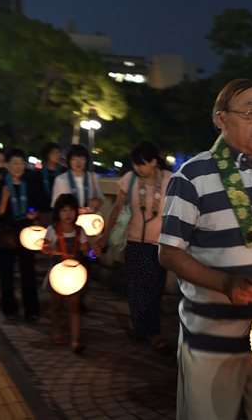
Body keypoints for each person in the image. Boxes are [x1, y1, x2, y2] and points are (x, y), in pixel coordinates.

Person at [159, 79, 252, 420]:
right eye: (251, 112)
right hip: (211, 343)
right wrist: (226, 284)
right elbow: (169, 253)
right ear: (221, 119)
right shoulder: (191, 177)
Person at [100, 141, 172, 350]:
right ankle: (141, 327)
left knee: (154, 288)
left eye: (142, 164)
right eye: (135, 164)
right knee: (135, 287)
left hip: (158, 244)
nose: (138, 168)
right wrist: (105, 236)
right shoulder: (129, 180)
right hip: (133, 242)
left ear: (154, 162)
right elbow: (116, 208)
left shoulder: (169, 180)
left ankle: (153, 331)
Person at [0, 148, 43, 322]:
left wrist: (33, 213)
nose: (17, 167)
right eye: (14, 163)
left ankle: (31, 310)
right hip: (6, 233)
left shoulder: (30, 183)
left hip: (26, 232)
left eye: (20, 163)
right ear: (7, 165)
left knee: (28, 272)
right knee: (6, 273)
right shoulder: (0, 185)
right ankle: (9, 309)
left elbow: (37, 205)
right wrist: (4, 199)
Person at [41, 193, 88, 353]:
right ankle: (57, 330)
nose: (68, 214)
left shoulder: (80, 230)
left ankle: (76, 340)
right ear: (58, 213)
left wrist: (89, 250)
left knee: (74, 306)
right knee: (56, 304)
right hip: (57, 274)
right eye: (63, 210)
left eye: (71, 210)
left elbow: (87, 250)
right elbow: (44, 247)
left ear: (76, 212)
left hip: (75, 276)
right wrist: (48, 249)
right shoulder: (52, 230)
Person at [51, 144, 102, 213]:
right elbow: (55, 204)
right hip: (69, 218)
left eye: (82, 159)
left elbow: (100, 198)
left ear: (86, 161)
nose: (78, 162)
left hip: (89, 217)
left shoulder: (93, 177)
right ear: (69, 161)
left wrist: (96, 202)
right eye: (74, 159)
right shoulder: (61, 179)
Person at [38, 142, 66, 217]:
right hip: (44, 212)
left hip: (61, 212)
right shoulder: (38, 174)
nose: (57, 155)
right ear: (47, 155)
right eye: (54, 153)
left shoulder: (64, 172)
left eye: (58, 152)